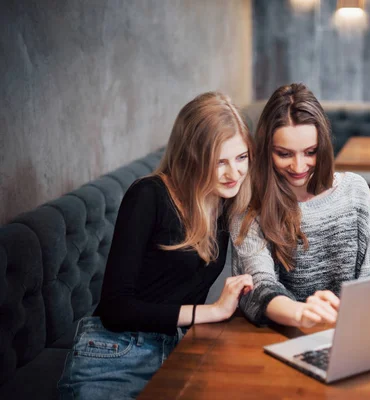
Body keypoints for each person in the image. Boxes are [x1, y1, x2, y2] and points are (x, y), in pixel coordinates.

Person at [57, 92, 254, 400]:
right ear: (191, 157)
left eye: (241, 157)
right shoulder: (148, 195)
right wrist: (212, 312)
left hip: (179, 350)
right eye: (219, 162)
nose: (234, 173)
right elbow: (115, 310)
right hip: (117, 352)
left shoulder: (226, 199)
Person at [231, 83, 370, 329]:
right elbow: (258, 287)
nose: (298, 166)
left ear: (323, 146)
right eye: (284, 154)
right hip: (284, 334)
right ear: (266, 150)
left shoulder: (354, 190)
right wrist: (302, 313)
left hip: (356, 329)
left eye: (310, 152)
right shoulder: (250, 206)